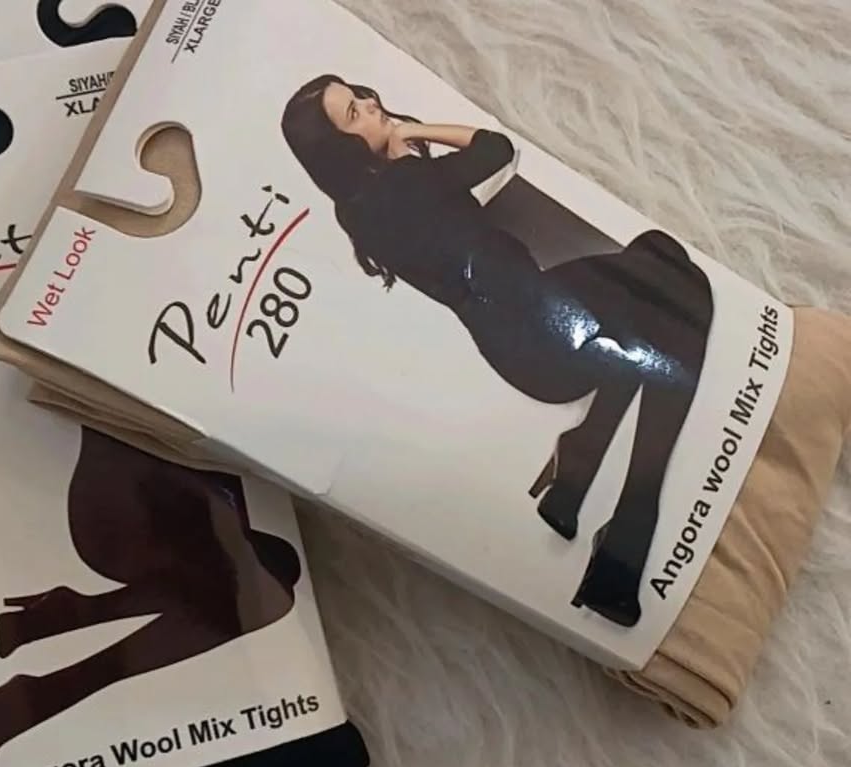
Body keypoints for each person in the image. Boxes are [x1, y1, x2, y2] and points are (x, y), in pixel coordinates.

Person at [282, 75, 714, 628]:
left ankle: (581, 465)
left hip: (520, 342)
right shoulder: (407, 180)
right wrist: (413, 132)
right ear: (341, 149)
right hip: (545, 330)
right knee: (678, 287)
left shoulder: (357, 212)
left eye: (359, 95)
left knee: (653, 288)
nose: (370, 104)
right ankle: (626, 533)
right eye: (353, 114)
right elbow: (495, 148)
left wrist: (394, 144)